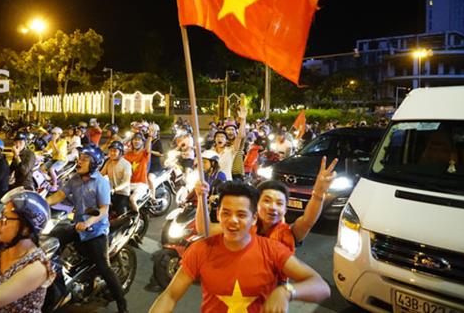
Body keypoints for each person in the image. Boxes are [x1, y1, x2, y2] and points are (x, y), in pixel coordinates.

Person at [150, 181, 330, 313]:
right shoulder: (201, 249)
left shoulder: (275, 247)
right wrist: (201, 198)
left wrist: (286, 292)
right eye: (226, 213)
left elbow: (320, 286)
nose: (233, 220)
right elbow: (169, 295)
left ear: (253, 217)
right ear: (218, 214)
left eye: (241, 214)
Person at [195, 156, 339, 254]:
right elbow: (204, 229)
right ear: (256, 204)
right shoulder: (241, 227)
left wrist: (319, 193)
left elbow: (307, 221)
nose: (273, 207)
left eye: (279, 203)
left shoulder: (289, 234)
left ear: (285, 209)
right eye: (267, 200)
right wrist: (201, 197)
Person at [46, 144, 128, 313]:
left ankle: (122, 304)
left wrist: (89, 222)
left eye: (84, 159)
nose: (79, 161)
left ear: (93, 163)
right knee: (51, 239)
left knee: (104, 267)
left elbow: (104, 209)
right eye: (79, 158)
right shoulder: (75, 178)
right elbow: (60, 195)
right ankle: (56, 283)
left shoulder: (101, 183)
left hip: (96, 231)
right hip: (77, 225)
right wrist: (41, 203)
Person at [0, 190, 54, 312]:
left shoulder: (37, 267)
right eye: (1, 217)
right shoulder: (0, 248)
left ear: (25, 229)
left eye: (6, 219)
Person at [124, 129, 154, 212]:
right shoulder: (127, 154)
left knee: (132, 199)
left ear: (142, 142)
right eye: (134, 139)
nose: (136, 141)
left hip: (141, 184)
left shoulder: (144, 154)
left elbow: (148, 149)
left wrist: (150, 137)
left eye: (139, 140)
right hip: (128, 183)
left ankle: (137, 217)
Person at [101, 141, 132, 216]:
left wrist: (115, 189)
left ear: (120, 152)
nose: (112, 153)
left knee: (121, 216)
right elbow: (101, 174)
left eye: (115, 151)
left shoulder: (126, 164)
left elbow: (126, 182)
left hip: (122, 193)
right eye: (111, 151)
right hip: (110, 192)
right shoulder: (108, 162)